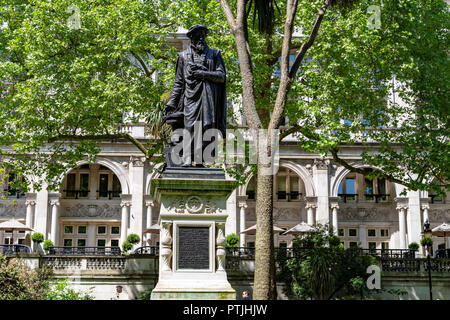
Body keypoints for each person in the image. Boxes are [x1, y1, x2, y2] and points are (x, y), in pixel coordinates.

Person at [163, 24, 227, 167]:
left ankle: (199, 160)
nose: (201, 39)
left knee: (206, 128)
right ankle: (186, 158)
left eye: (203, 36)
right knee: (189, 127)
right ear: (191, 38)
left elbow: (221, 76)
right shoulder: (183, 56)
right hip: (190, 99)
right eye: (198, 36)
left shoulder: (214, 54)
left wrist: (204, 74)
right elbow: (178, 83)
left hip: (208, 98)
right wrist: (170, 104)